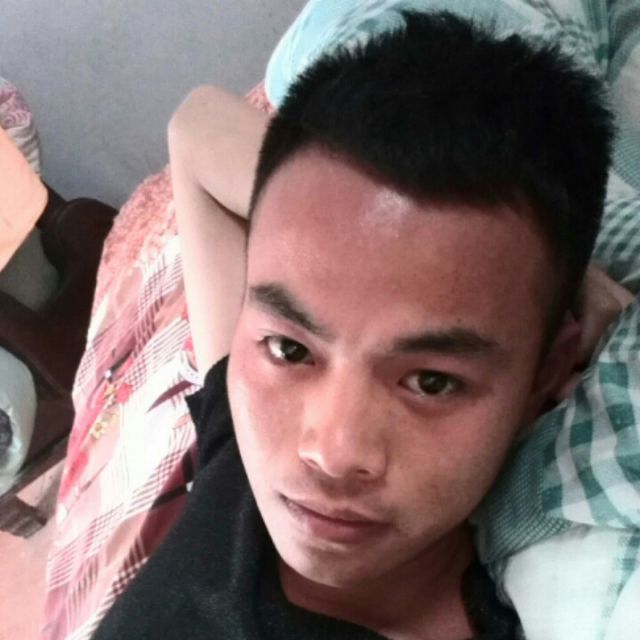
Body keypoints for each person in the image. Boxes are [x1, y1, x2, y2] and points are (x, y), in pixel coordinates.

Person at [92, 11, 620, 640]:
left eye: (429, 382)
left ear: (547, 372)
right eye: (292, 349)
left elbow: (197, 127)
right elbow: (195, 123)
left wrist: (533, 275)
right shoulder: (243, 442)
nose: (330, 454)